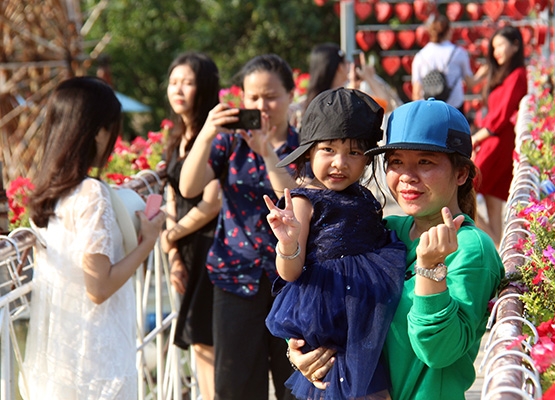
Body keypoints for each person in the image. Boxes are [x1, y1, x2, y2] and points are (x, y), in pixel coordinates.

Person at [286, 99, 505, 400]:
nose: (406, 176)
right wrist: (299, 350)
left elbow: (438, 352)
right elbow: (328, 292)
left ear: (461, 174)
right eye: (396, 162)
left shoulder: (472, 249)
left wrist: (431, 270)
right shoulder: (388, 229)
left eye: (425, 162)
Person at [19, 76, 165, 399]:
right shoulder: (90, 193)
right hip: (97, 359)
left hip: (61, 353)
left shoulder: (46, 194)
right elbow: (98, 287)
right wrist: (148, 241)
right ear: (98, 132)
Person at [263, 88, 406, 400]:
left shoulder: (365, 198)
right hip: (328, 322)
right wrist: (287, 243)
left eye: (354, 153)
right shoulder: (304, 201)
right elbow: (289, 272)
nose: (340, 163)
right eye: (328, 150)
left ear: (367, 161)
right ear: (309, 154)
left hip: (364, 323)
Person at [179, 54, 299, 400]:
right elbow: (189, 188)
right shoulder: (229, 143)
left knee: (295, 384)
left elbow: (291, 194)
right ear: (241, 99)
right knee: (235, 388)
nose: (262, 106)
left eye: (271, 96)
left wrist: (267, 153)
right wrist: (206, 133)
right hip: (233, 277)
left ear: (291, 95)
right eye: (253, 98)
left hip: (289, 282)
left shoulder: (302, 147)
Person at [160, 52, 222, 400]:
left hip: (212, 249)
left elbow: (212, 202)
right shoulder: (177, 135)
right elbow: (171, 195)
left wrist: (170, 235)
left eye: (188, 82)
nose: (178, 89)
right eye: (173, 82)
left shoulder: (213, 135)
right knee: (199, 343)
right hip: (186, 250)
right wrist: (172, 254)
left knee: (208, 343)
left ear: (205, 87)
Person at [471, 26, 527, 247]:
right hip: (494, 141)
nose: (496, 52)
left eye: (500, 46)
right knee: (493, 204)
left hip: (497, 143)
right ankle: (499, 248)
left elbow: (501, 116)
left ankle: (495, 248)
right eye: (493, 48)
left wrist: (475, 138)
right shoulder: (505, 75)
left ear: (515, 44)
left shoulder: (517, 75)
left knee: (462, 193)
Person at [411, 14, 487, 113]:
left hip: (429, 110)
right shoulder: (458, 53)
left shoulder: (420, 56)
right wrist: (483, 72)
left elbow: (416, 93)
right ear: (448, 31)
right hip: (454, 109)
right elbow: (470, 83)